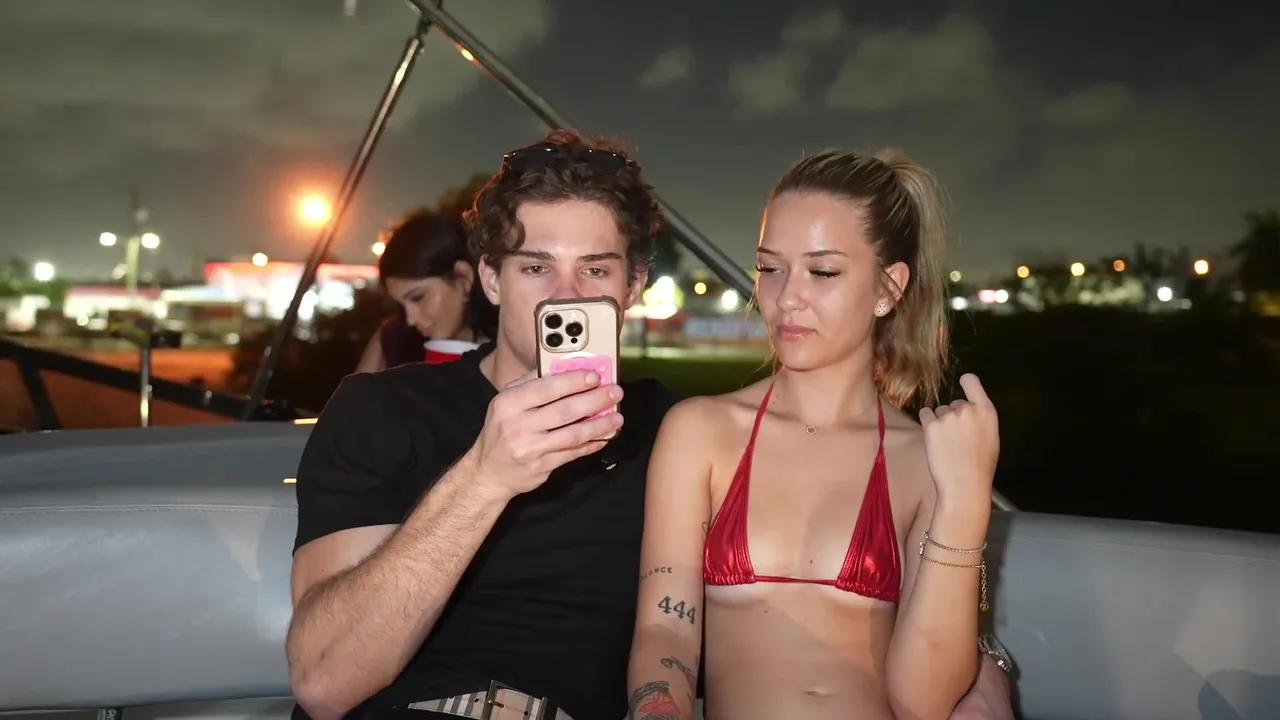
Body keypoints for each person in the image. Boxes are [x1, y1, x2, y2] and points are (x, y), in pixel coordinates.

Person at [286, 131, 1015, 720]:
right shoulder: (382, 409)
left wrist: (988, 676)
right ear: (490, 278)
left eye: (595, 271)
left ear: (633, 284)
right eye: (535, 268)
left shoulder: (671, 428)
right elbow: (324, 683)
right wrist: (486, 474)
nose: (565, 297)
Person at [626, 148, 1002, 720]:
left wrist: (968, 501)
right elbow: (665, 630)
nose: (786, 298)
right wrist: (656, 709)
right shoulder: (700, 432)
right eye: (770, 268)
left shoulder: (926, 461)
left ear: (889, 287)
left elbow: (924, 701)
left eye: (822, 272)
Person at [354, 208, 497, 373]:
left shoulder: (511, 343)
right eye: (401, 305)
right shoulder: (393, 340)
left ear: (463, 278)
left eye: (418, 297)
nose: (411, 320)